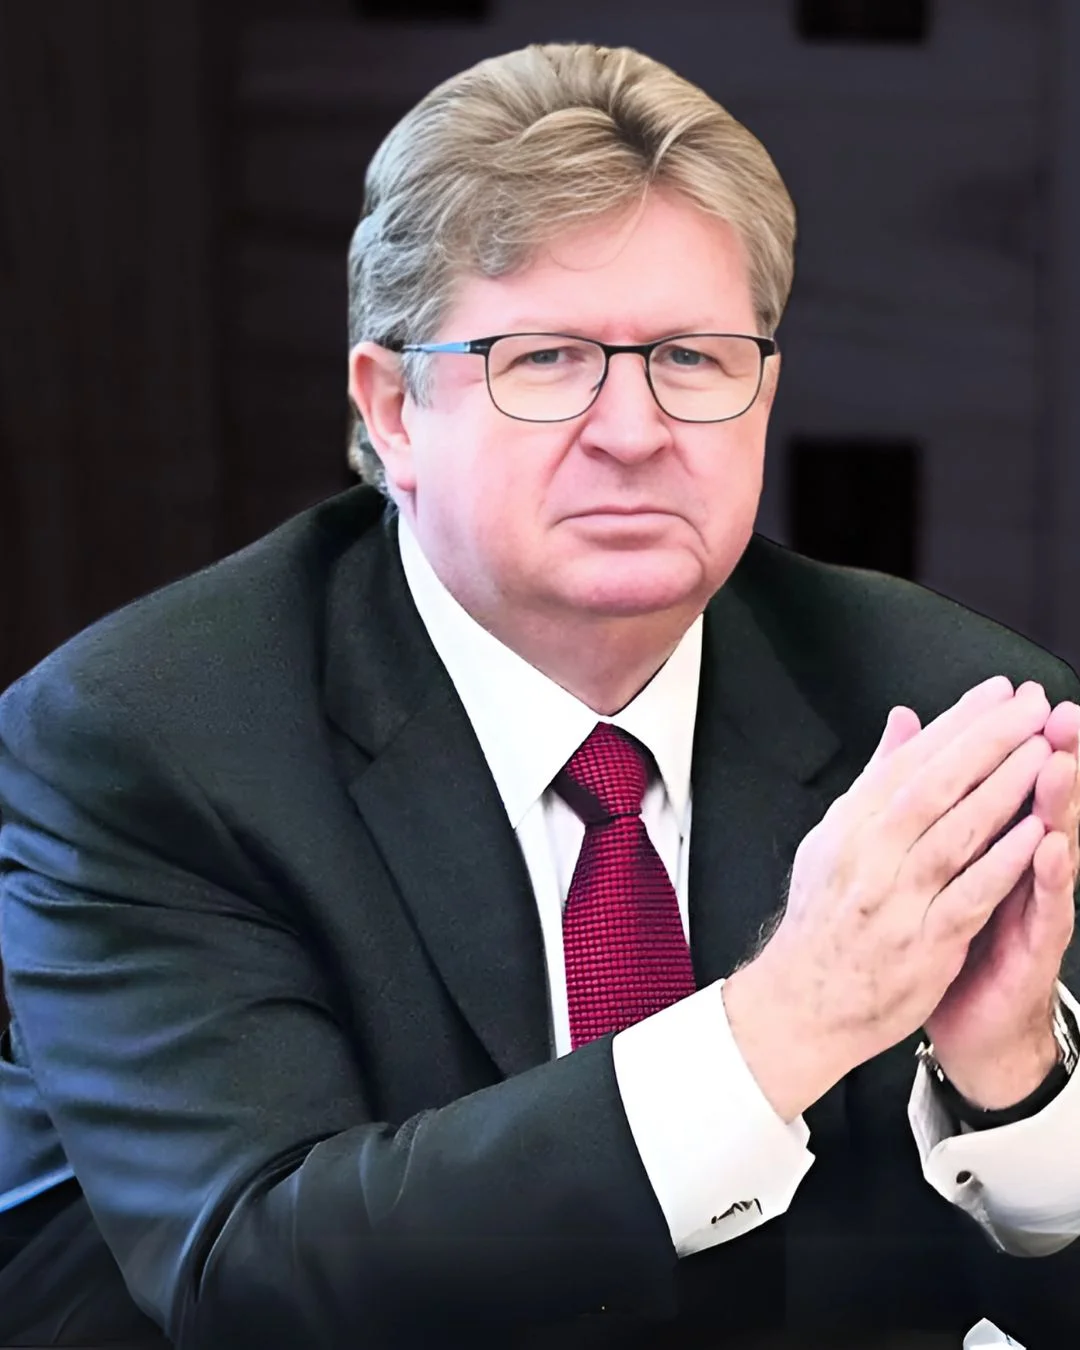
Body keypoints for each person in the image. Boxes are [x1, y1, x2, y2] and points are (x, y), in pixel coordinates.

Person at [0, 41, 1078, 1350]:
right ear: (394, 408)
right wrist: (784, 1020)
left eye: (692, 357)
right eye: (550, 358)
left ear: (764, 393)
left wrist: (1014, 1090)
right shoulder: (151, 740)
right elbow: (256, 1274)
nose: (633, 431)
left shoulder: (945, 710)